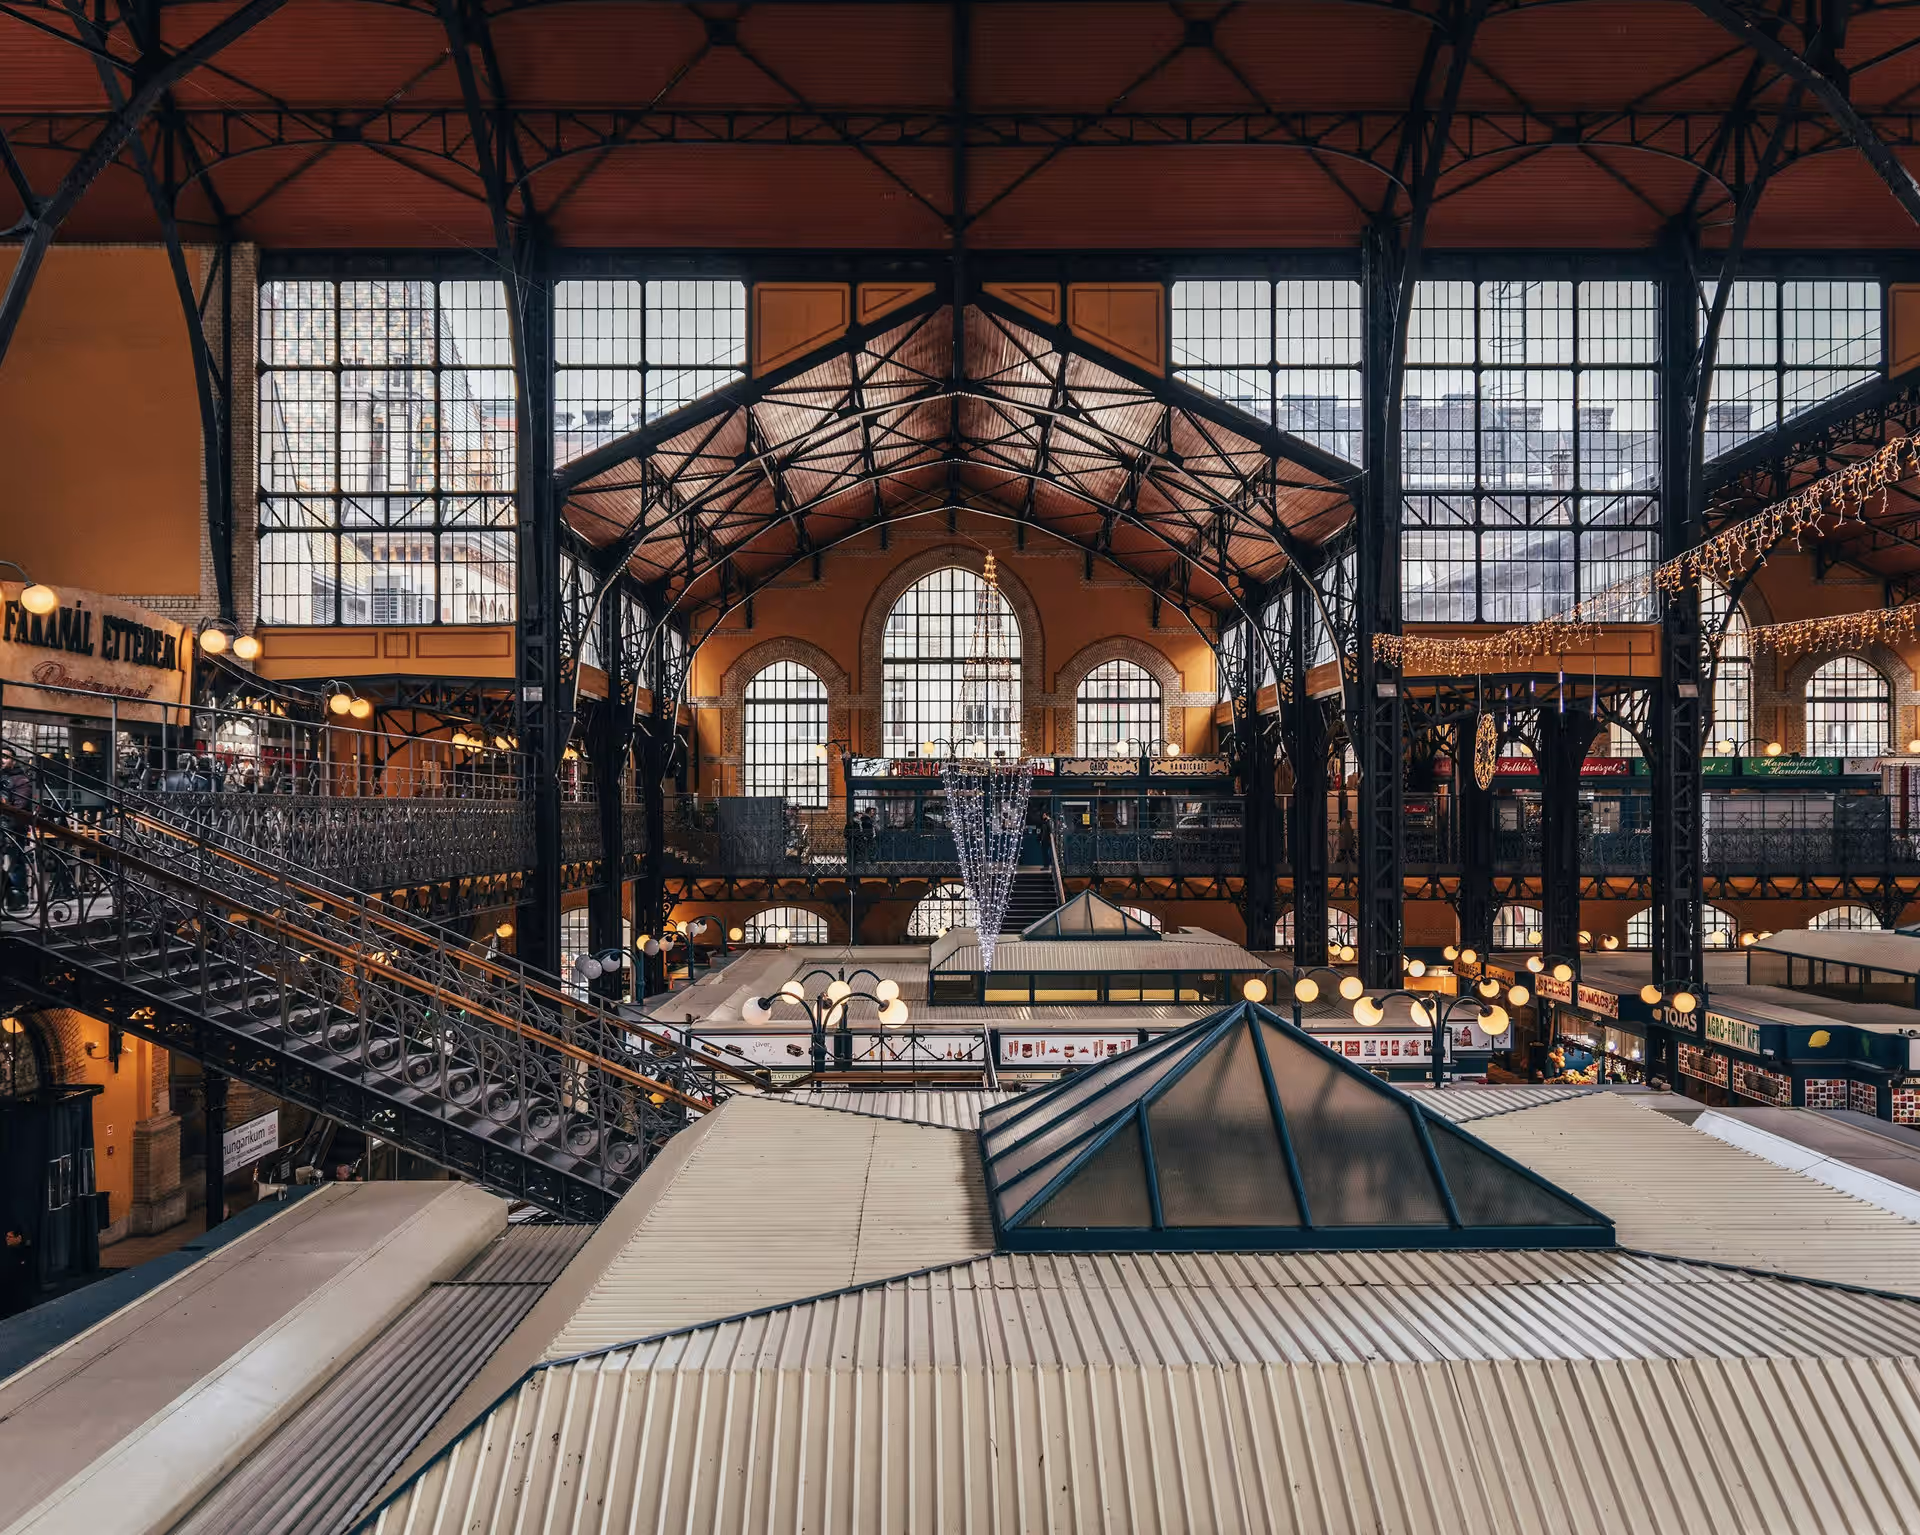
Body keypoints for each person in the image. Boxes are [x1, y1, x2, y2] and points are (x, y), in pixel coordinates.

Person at [0, 745, 30, 913]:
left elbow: (20, 806)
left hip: (13, 827)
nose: (1, 759)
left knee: (15, 862)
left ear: (13, 760)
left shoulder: (20, 780)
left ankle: (17, 896)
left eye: (5, 756)